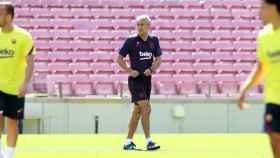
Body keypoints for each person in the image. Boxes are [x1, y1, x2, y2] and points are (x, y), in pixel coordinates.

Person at [238, 0, 280, 158]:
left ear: (274, 7)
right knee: (274, 140)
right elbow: (262, 68)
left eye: (263, 8)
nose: (259, 12)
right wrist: (245, 88)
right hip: (273, 99)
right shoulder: (264, 36)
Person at [117, 15, 161, 151]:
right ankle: (149, 141)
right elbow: (119, 59)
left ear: (148, 26)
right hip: (135, 81)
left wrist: (152, 69)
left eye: (142, 24)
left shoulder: (154, 40)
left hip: (147, 80)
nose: (139, 27)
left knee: (138, 111)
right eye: (138, 24)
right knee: (146, 108)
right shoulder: (131, 41)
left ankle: (128, 142)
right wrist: (129, 71)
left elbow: (158, 59)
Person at [0, 1, 35, 158]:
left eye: (0, 12)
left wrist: (25, 84)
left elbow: (30, 63)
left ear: (9, 16)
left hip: (15, 88)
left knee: (12, 121)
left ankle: (8, 155)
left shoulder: (24, 36)